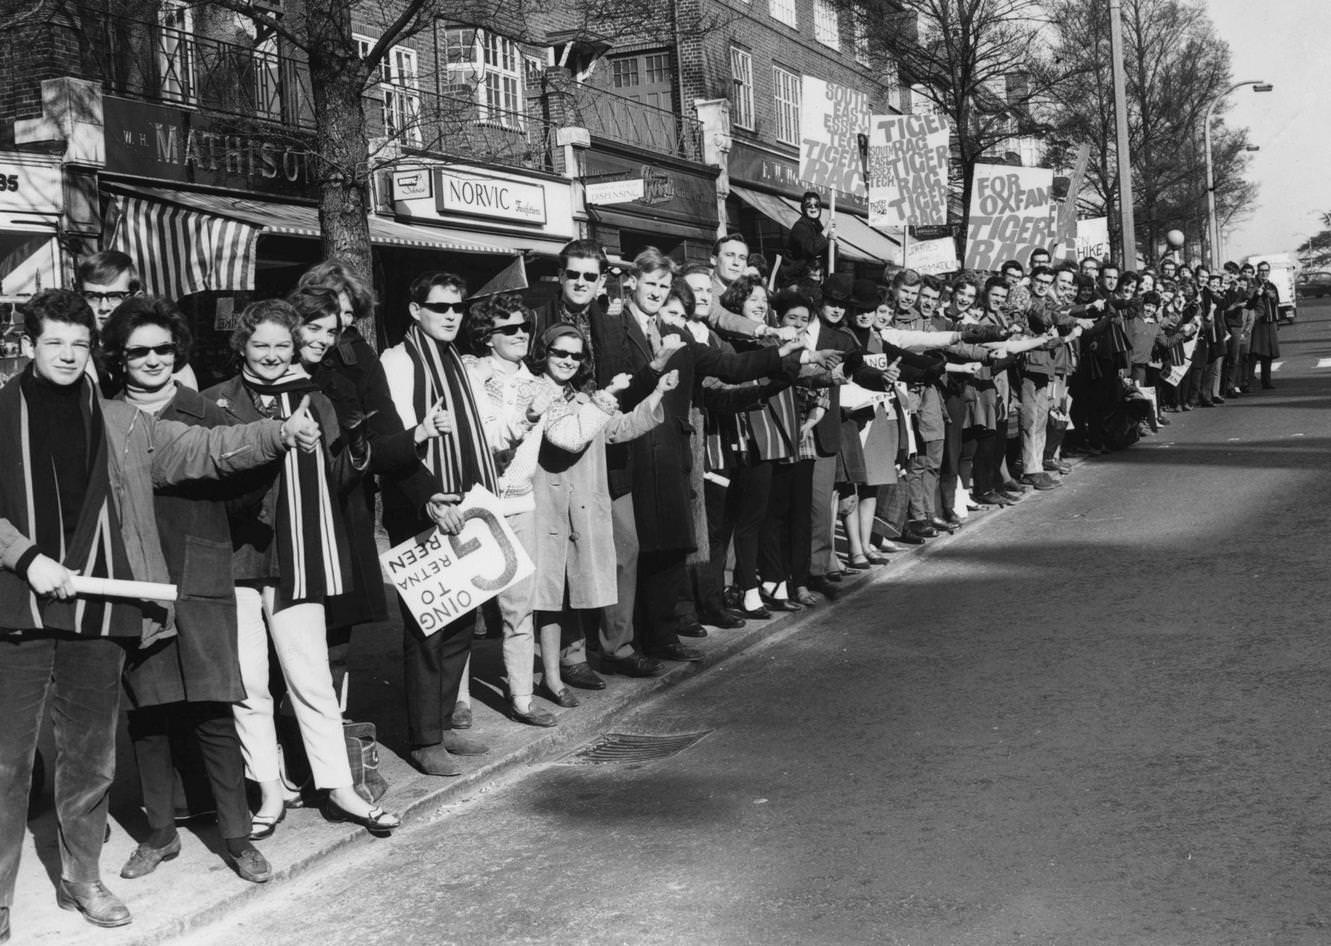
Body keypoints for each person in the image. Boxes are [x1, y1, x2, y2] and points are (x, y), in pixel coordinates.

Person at [0, 290, 316, 938]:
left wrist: (279, 432)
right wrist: (26, 557)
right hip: (19, 606)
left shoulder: (121, 421)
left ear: (93, 351)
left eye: (78, 343)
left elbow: (199, 450)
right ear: (29, 344)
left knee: (89, 760)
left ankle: (82, 877)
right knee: (7, 762)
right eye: (54, 341)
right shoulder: (1, 411)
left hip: (100, 609)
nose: (66, 354)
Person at [205, 300, 403, 834]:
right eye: (260, 345)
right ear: (242, 347)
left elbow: (342, 479)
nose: (271, 355)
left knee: (311, 678)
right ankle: (269, 791)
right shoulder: (215, 401)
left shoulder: (317, 398)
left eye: (281, 346)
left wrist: (347, 445)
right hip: (238, 558)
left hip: (299, 556)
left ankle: (339, 786)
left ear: (295, 349)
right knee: (248, 684)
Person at [99, 298, 272, 885]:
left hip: (200, 569)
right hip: (135, 577)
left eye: (163, 349)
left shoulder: (206, 413)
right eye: (139, 350)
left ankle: (237, 837)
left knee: (211, 707)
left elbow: (252, 481)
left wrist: (213, 519)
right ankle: (160, 834)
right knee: (148, 713)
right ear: (119, 359)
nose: (152, 360)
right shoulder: (102, 417)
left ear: (178, 353)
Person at [380, 273, 500, 776]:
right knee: (427, 627)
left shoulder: (453, 359)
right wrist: (429, 497)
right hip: (421, 504)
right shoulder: (398, 361)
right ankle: (423, 737)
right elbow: (397, 440)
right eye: (441, 307)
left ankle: (444, 720)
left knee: (458, 624)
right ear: (415, 311)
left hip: (463, 504)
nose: (452, 315)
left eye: (457, 307)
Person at [527, 325, 674, 700]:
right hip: (548, 502)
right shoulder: (535, 392)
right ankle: (558, 665)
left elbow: (616, 430)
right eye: (560, 353)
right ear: (544, 352)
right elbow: (567, 439)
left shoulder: (583, 396)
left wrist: (656, 394)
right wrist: (606, 397)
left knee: (576, 581)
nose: (567, 361)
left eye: (576, 356)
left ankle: (572, 659)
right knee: (552, 589)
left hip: (583, 500)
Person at [459, 294, 558, 725]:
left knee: (520, 607)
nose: (521, 335)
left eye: (524, 327)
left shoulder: (540, 383)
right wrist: (527, 417)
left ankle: (521, 697)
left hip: (521, 502)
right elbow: (487, 440)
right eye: (509, 329)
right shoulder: (470, 376)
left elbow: (567, 436)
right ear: (488, 336)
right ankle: (458, 700)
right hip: (477, 502)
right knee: (465, 608)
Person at [77, 251, 198, 391]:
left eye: (116, 296)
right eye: (92, 297)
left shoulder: (162, 356)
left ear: (136, 297)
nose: (103, 307)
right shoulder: (77, 354)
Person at [784, 191, 831, 285]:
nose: (813, 207)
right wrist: (825, 231)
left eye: (816, 205)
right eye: (809, 205)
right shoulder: (800, 226)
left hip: (812, 278)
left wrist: (831, 241)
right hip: (795, 281)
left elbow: (827, 254)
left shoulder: (817, 226)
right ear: (803, 208)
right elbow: (811, 249)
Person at [1247, 260, 1281, 390]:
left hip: (1270, 322)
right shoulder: (1253, 284)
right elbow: (1249, 302)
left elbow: (1276, 302)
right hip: (1257, 323)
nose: (1264, 273)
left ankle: (1266, 381)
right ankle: (1248, 383)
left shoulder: (1271, 285)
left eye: (1266, 270)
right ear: (1257, 271)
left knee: (1268, 353)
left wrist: (1272, 296)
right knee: (1254, 353)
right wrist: (1257, 294)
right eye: (1261, 270)